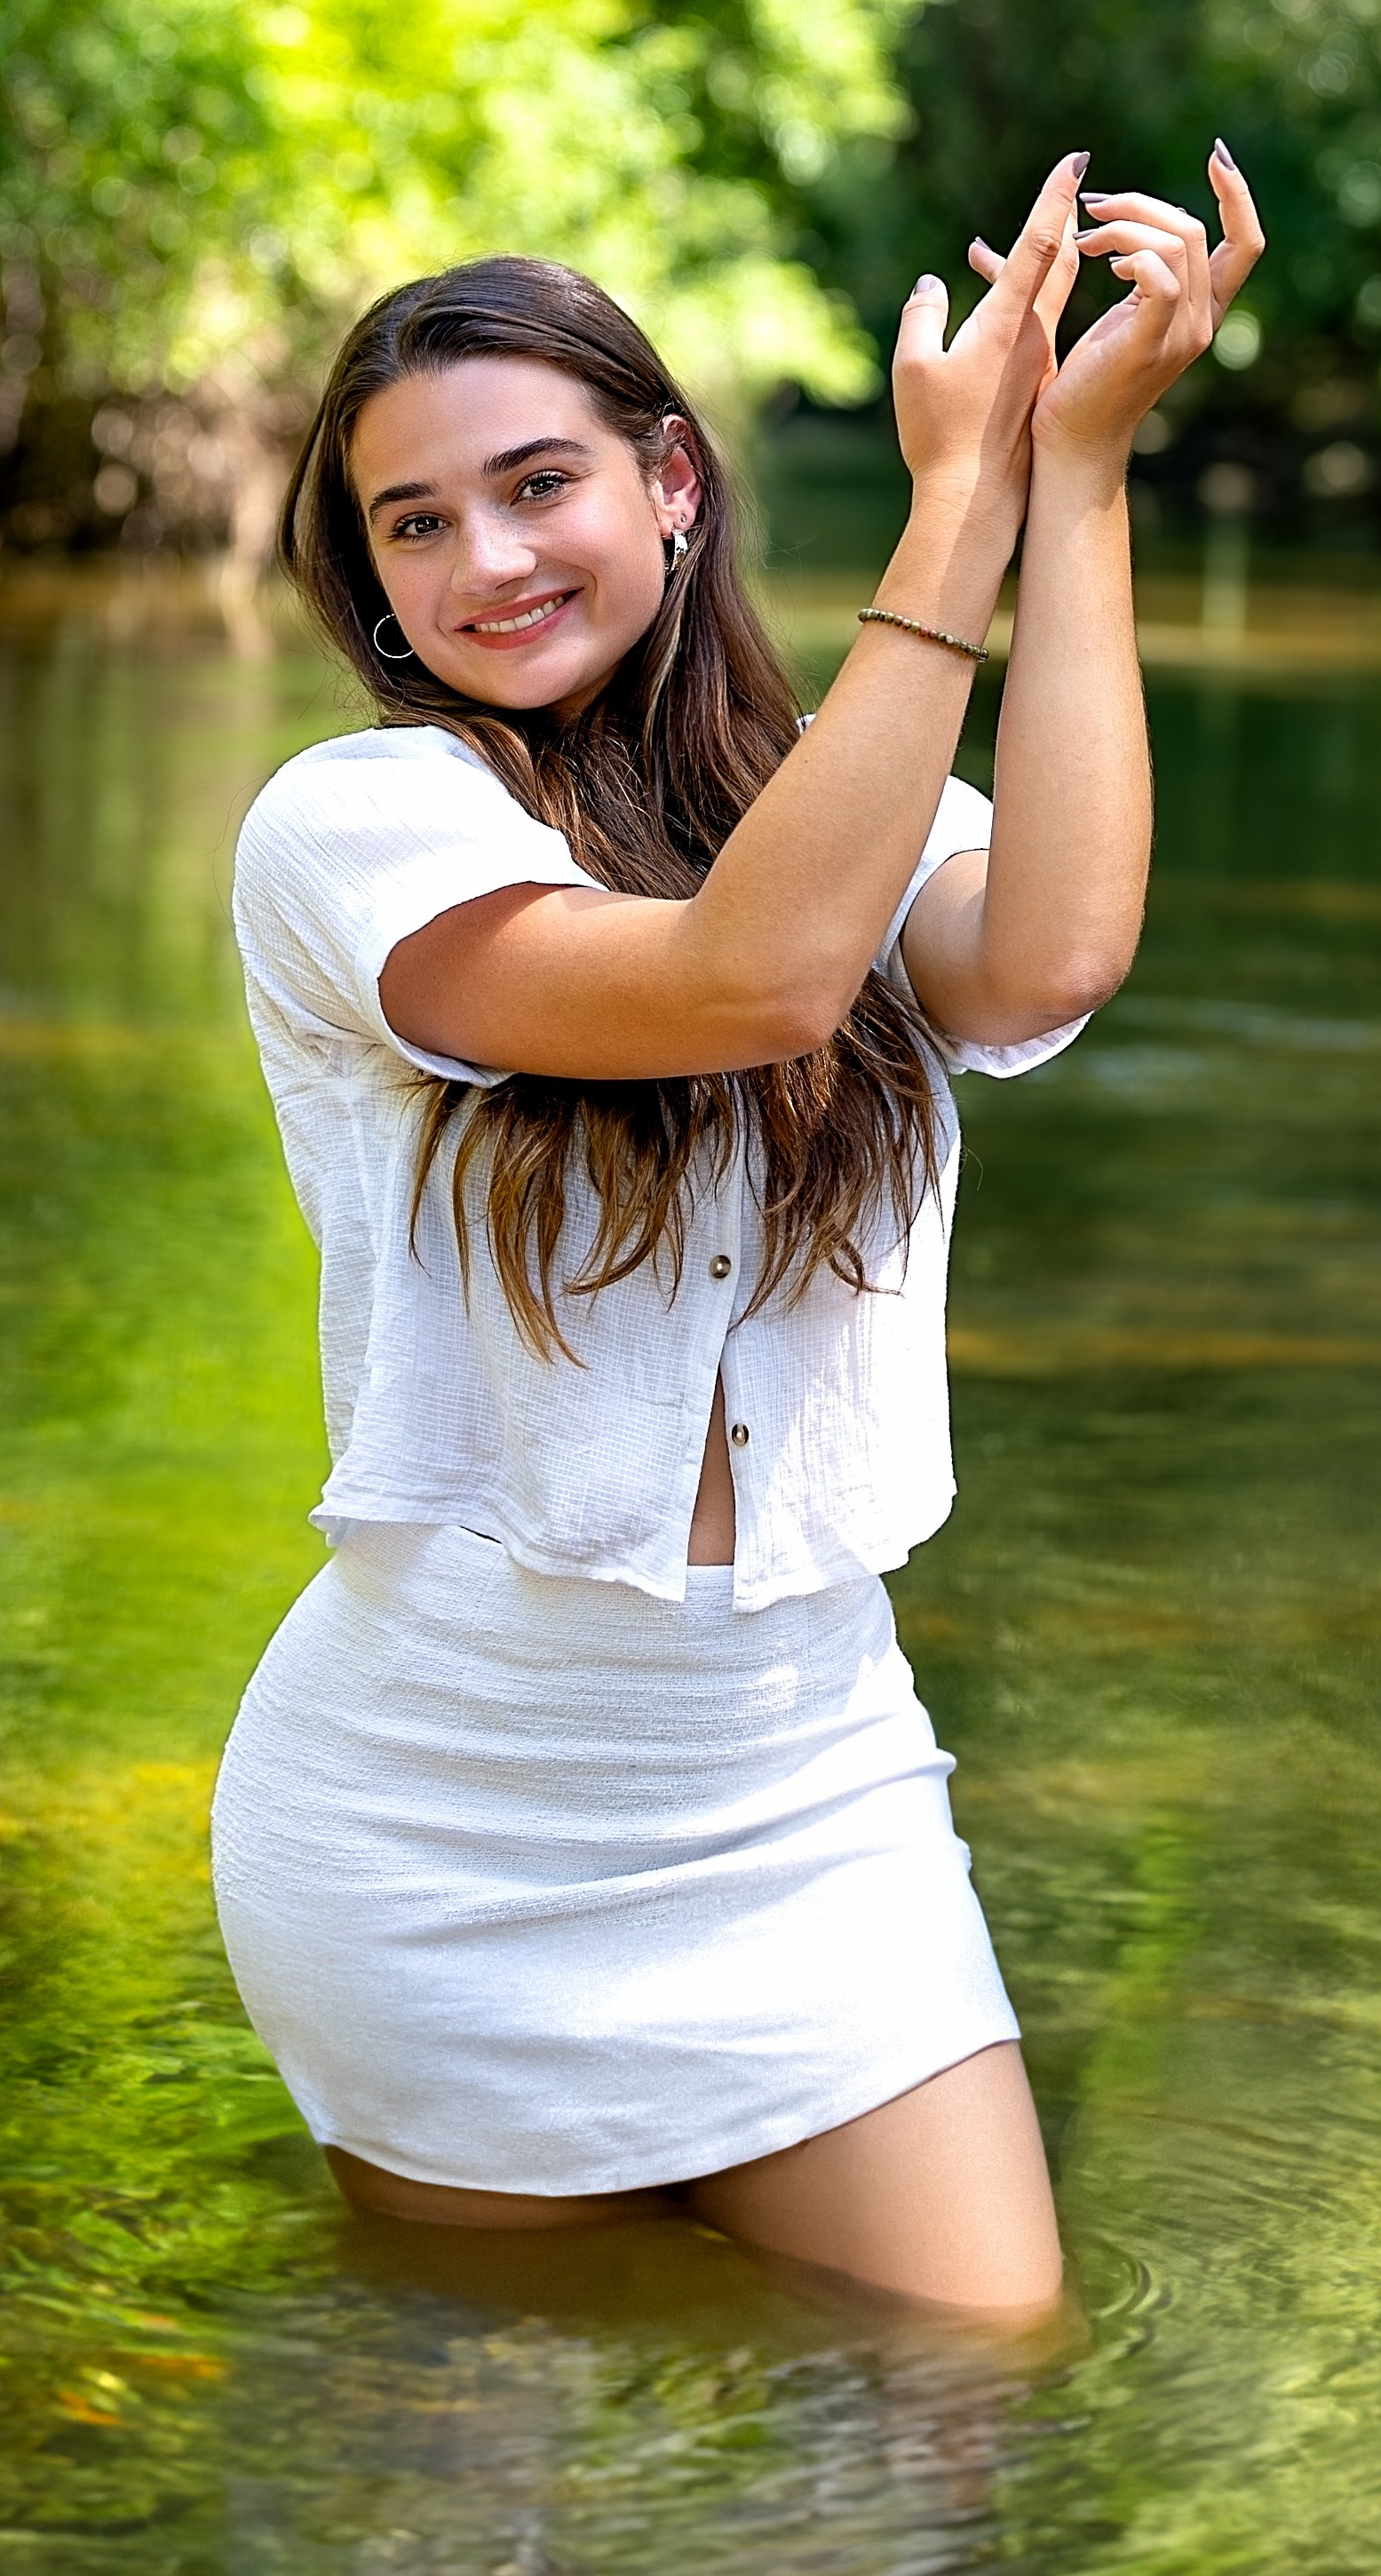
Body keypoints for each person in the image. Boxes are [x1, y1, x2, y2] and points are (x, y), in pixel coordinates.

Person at [213, 147, 1264, 2315]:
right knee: (485, 2487)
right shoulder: (355, 826)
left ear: (670, 481)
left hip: (809, 1791)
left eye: (536, 484)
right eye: (414, 525)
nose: (485, 559)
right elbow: (742, 981)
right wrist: (944, 509)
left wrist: (1071, 473)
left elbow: (1046, 956)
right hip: (448, 1822)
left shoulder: (829, 797)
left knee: (962, 2399)